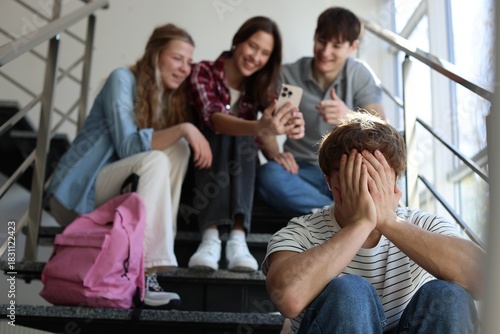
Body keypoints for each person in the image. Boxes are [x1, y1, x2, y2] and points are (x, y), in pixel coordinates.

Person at [263, 111, 484, 333]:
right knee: (349, 292)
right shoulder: (302, 231)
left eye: (375, 178)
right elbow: (288, 298)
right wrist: (360, 224)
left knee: (448, 296)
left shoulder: (423, 224)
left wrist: (389, 221)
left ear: (395, 181)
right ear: (331, 184)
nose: (365, 190)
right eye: (354, 179)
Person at [46, 23, 212, 308]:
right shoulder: (121, 79)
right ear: (155, 54)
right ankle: (142, 268)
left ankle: (146, 267)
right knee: (161, 154)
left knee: (179, 150)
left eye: (189, 61)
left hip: (116, 193)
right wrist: (184, 127)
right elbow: (128, 147)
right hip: (81, 192)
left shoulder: (167, 99)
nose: (185, 68)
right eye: (177, 58)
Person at [187, 16, 305, 272]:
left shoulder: (260, 87)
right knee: (228, 130)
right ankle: (210, 237)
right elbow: (215, 120)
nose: (256, 57)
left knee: (245, 139)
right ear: (237, 41)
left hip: (234, 171)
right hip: (199, 170)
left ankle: (238, 239)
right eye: (252, 46)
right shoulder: (203, 71)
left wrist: (287, 133)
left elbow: (269, 124)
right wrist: (259, 126)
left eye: (265, 53)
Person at [257, 7, 386, 215]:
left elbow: (383, 130)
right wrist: (276, 155)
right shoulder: (287, 75)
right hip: (300, 170)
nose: (325, 52)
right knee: (268, 175)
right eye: (321, 40)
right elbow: (265, 129)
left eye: (336, 45)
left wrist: (350, 117)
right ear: (314, 36)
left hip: (347, 171)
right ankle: (341, 215)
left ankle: (331, 214)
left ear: (353, 47)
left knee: (374, 178)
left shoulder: (360, 74)